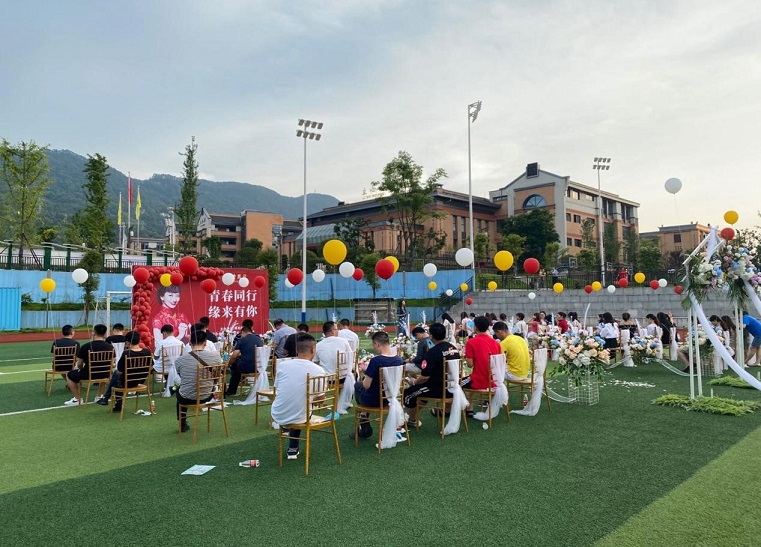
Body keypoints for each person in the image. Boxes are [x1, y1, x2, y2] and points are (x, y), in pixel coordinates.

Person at [270, 334, 326, 460]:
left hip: (278, 413)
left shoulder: (283, 365)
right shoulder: (318, 370)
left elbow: (278, 388)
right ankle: (293, 447)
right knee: (303, 407)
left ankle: (291, 442)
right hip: (300, 415)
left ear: (296, 349)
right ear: (313, 350)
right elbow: (321, 399)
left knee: (298, 403)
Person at [403, 323, 459, 426]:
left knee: (407, 394)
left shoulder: (432, 352)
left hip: (437, 389)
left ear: (431, 336)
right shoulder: (454, 349)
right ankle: (412, 416)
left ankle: (412, 419)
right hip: (454, 387)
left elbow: (424, 377)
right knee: (421, 391)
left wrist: (414, 382)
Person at [353, 331, 403, 440]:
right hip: (390, 398)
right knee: (360, 386)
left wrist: (366, 373)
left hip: (374, 399)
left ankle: (364, 420)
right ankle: (364, 416)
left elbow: (366, 385)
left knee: (358, 386)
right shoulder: (399, 360)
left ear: (377, 344)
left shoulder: (376, 361)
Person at [175, 329, 223, 433]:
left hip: (186, 397)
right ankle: (183, 424)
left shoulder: (179, 360)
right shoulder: (216, 357)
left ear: (189, 342)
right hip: (207, 395)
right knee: (182, 390)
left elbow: (182, 377)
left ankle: (182, 424)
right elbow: (218, 374)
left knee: (179, 392)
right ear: (205, 343)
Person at [97, 331, 152, 411]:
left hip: (127, 382)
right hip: (140, 380)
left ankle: (110, 400)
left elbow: (119, 371)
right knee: (117, 376)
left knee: (116, 375)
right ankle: (106, 398)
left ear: (128, 342)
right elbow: (150, 367)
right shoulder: (147, 352)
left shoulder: (126, 353)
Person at [64, 324, 113, 406]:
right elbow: (111, 363)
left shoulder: (86, 346)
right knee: (107, 371)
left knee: (69, 374)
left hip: (88, 374)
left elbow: (79, 364)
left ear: (94, 333)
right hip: (105, 373)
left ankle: (77, 399)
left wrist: (80, 368)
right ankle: (99, 395)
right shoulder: (110, 347)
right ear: (105, 334)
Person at [462, 316, 502, 394]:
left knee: (455, 385)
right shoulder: (496, 343)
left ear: (475, 327)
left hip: (478, 380)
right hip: (494, 380)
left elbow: (470, 365)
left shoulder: (471, 342)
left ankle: (465, 402)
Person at [225, 325, 263, 396]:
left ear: (242, 332)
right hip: (259, 367)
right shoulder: (258, 339)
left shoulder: (241, 340)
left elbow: (234, 356)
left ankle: (231, 391)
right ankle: (243, 380)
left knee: (235, 368)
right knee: (238, 365)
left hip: (247, 367)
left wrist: (228, 364)